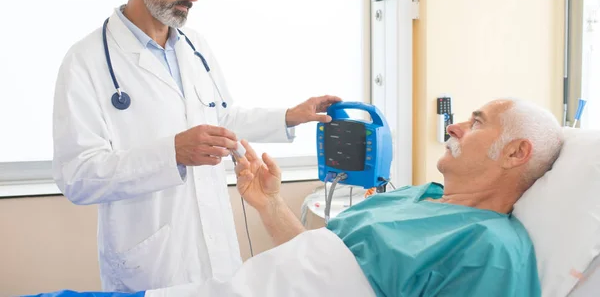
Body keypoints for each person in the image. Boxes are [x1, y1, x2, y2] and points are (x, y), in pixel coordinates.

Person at [52, 0, 340, 292]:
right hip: (151, 262)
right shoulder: (86, 60)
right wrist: (171, 153)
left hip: (216, 251)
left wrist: (289, 116)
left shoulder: (195, 46)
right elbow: (77, 175)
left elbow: (221, 119)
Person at [227, 98, 564, 296]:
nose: (452, 127)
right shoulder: (410, 197)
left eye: (476, 123)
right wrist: (269, 204)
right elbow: (313, 264)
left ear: (516, 152)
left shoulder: (491, 249)